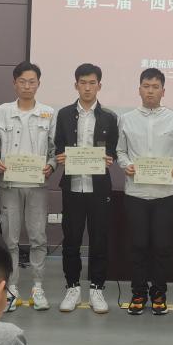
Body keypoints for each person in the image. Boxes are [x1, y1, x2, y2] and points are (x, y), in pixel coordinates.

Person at [116, 68, 173, 315]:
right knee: (138, 245)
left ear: (163, 91)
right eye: (146, 86)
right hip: (136, 192)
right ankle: (138, 293)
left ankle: (159, 293)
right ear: (139, 89)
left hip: (166, 194)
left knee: (162, 246)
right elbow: (120, 151)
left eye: (155, 87)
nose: (150, 91)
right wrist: (126, 165)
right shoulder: (126, 118)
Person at [0, 61, 56, 312]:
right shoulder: (1, 112)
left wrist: (51, 165)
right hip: (9, 184)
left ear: (39, 84)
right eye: (22, 81)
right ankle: (12, 288)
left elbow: (55, 150)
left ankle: (38, 287)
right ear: (14, 83)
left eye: (32, 82)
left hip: (37, 184)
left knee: (38, 237)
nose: (27, 86)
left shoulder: (49, 113)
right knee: (10, 239)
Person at [54, 63, 119, 314]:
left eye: (92, 83)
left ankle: (96, 289)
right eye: (83, 83)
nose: (88, 88)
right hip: (73, 186)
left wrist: (109, 157)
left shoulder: (109, 117)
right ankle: (72, 287)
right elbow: (58, 145)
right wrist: (60, 156)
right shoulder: (64, 115)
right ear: (76, 85)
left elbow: (112, 149)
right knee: (71, 239)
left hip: (98, 188)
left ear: (99, 86)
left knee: (99, 239)